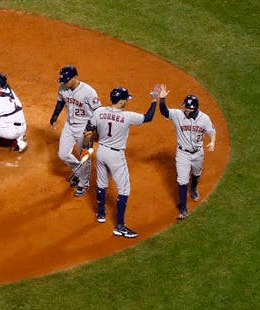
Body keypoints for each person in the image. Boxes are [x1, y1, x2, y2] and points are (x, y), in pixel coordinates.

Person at [92, 86, 158, 238]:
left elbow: (90, 130)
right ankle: (120, 226)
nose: (126, 102)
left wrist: (88, 148)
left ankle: (101, 213)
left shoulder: (99, 111)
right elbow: (148, 117)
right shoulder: (128, 116)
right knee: (124, 189)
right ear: (121, 102)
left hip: (101, 151)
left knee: (102, 183)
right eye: (125, 100)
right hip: (115, 156)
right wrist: (154, 100)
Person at [157, 85, 217, 220]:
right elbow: (165, 112)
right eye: (185, 107)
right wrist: (162, 99)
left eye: (189, 108)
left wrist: (212, 142)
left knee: (196, 174)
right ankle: (183, 208)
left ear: (195, 108)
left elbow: (212, 131)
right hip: (182, 153)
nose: (186, 109)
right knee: (182, 181)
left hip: (198, 153)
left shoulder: (204, 118)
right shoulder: (179, 114)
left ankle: (194, 188)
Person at [50, 65, 101, 197]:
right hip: (69, 125)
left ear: (75, 77)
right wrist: (54, 117)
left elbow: (98, 111)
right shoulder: (62, 88)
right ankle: (79, 173)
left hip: (85, 127)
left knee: (84, 156)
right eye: (63, 80)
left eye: (67, 80)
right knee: (63, 154)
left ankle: (84, 183)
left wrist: (95, 130)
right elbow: (60, 103)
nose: (64, 83)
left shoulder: (89, 92)